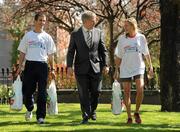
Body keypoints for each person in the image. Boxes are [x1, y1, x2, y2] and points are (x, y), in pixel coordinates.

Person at [66, 11, 108, 124]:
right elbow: (71, 51)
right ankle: (85, 115)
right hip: (81, 68)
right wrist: (69, 66)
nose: (95, 21)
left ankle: (92, 110)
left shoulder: (98, 32)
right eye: (93, 19)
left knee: (96, 91)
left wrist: (106, 65)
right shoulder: (75, 34)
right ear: (86, 21)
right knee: (83, 93)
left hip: (96, 67)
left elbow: (103, 50)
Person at [16, 12, 56, 124]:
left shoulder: (47, 37)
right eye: (40, 20)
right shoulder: (28, 36)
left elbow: (51, 55)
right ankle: (29, 108)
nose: (42, 22)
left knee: (42, 92)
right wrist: (20, 66)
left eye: (44, 20)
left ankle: (40, 117)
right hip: (30, 65)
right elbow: (22, 52)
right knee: (27, 91)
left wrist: (52, 69)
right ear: (35, 21)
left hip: (42, 66)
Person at [114, 17, 154, 124]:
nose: (125, 27)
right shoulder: (122, 39)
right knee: (126, 92)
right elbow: (119, 56)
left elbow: (146, 53)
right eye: (125, 25)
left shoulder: (141, 38)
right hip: (125, 68)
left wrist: (150, 66)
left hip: (138, 68)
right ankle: (129, 116)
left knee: (140, 90)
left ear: (133, 26)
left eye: (127, 25)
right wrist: (116, 70)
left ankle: (136, 111)